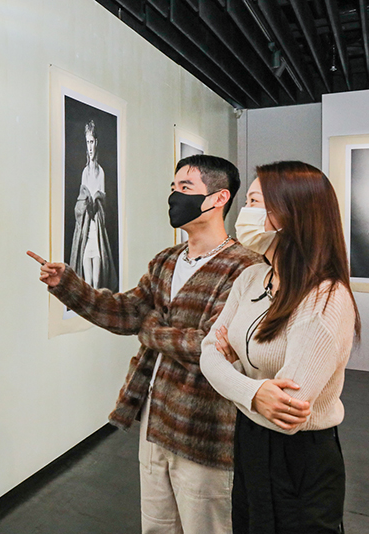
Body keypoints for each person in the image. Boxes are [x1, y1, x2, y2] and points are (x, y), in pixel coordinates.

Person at [34, 155, 262, 533]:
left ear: (219, 198)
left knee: (206, 527)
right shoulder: (166, 261)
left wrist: (151, 329)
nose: (174, 197)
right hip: (155, 422)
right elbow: (127, 313)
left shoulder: (246, 267)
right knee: (157, 526)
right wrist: (68, 286)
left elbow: (213, 346)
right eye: (173, 188)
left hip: (204, 430)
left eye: (185, 188)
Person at [200, 161, 359, 534]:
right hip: (250, 441)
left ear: (290, 213)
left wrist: (231, 373)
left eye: (255, 200)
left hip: (301, 458)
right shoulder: (252, 276)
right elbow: (207, 350)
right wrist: (255, 393)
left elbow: (287, 414)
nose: (243, 212)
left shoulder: (325, 298)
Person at [69, 120, 118, 290]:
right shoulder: (84, 172)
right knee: (87, 283)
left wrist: (97, 197)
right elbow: (80, 204)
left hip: (96, 234)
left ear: (96, 143)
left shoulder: (101, 172)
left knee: (97, 284)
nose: (89, 147)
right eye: (87, 142)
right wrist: (86, 202)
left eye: (92, 142)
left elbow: (104, 206)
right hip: (85, 232)